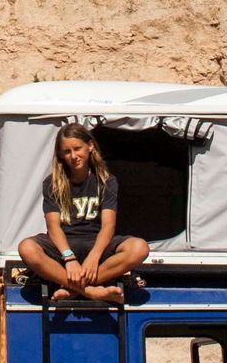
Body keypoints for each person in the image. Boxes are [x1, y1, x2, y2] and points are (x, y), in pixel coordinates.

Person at [18, 122, 151, 303]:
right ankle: (90, 291)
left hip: (96, 243)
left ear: (90, 146)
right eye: (67, 151)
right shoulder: (52, 183)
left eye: (77, 149)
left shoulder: (106, 181)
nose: (73, 156)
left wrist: (94, 257)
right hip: (64, 246)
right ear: (61, 155)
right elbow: (53, 227)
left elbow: (108, 226)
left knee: (139, 248)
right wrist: (69, 258)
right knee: (26, 248)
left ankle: (72, 289)